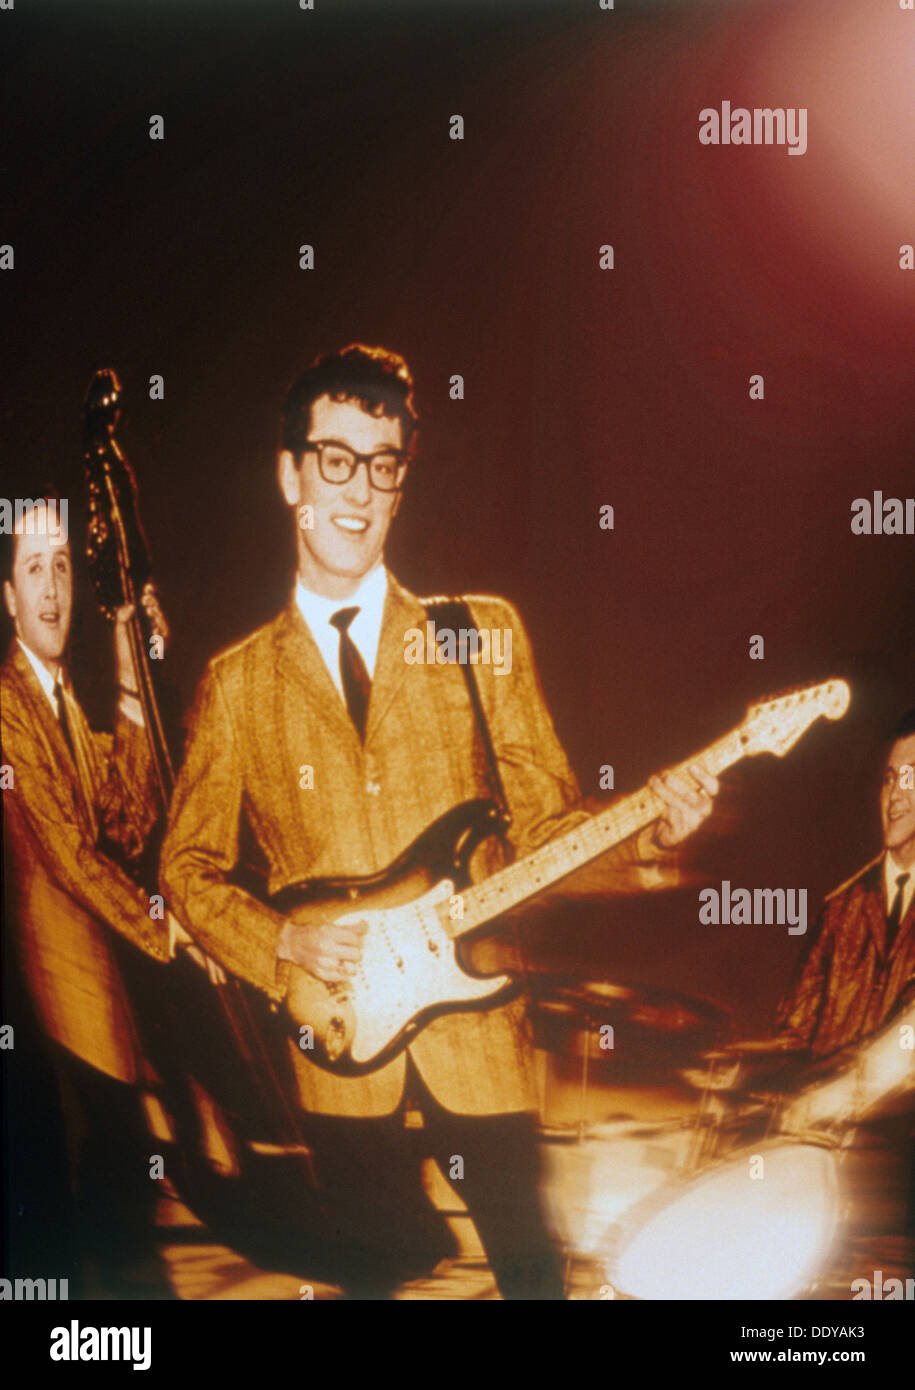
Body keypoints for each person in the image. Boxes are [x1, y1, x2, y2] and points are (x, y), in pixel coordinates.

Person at [160, 343, 719, 1298]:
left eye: (382, 465)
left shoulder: (477, 633)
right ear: (289, 472)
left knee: (532, 1279)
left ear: (401, 481)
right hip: (337, 1047)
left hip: (480, 1036)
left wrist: (650, 837)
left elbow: (548, 831)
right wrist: (283, 944)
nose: (358, 490)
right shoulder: (237, 683)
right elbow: (186, 869)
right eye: (334, 459)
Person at [0, 495, 178, 1295]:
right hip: (44, 1030)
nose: (51, 587)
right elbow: (70, 855)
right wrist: (163, 928)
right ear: (8, 596)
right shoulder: (6, 710)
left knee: (117, 1236)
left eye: (63, 567)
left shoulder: (67, 707)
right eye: (33, 569)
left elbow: (132, 818)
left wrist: (127, 653)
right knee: (78, 1257)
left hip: (96, 1022)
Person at [776, 709, 915, 1058]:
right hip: (826, 1109)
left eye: (909, 778)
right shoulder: (837, 910)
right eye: (888, 779)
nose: (894, 795)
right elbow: (790, 1040)